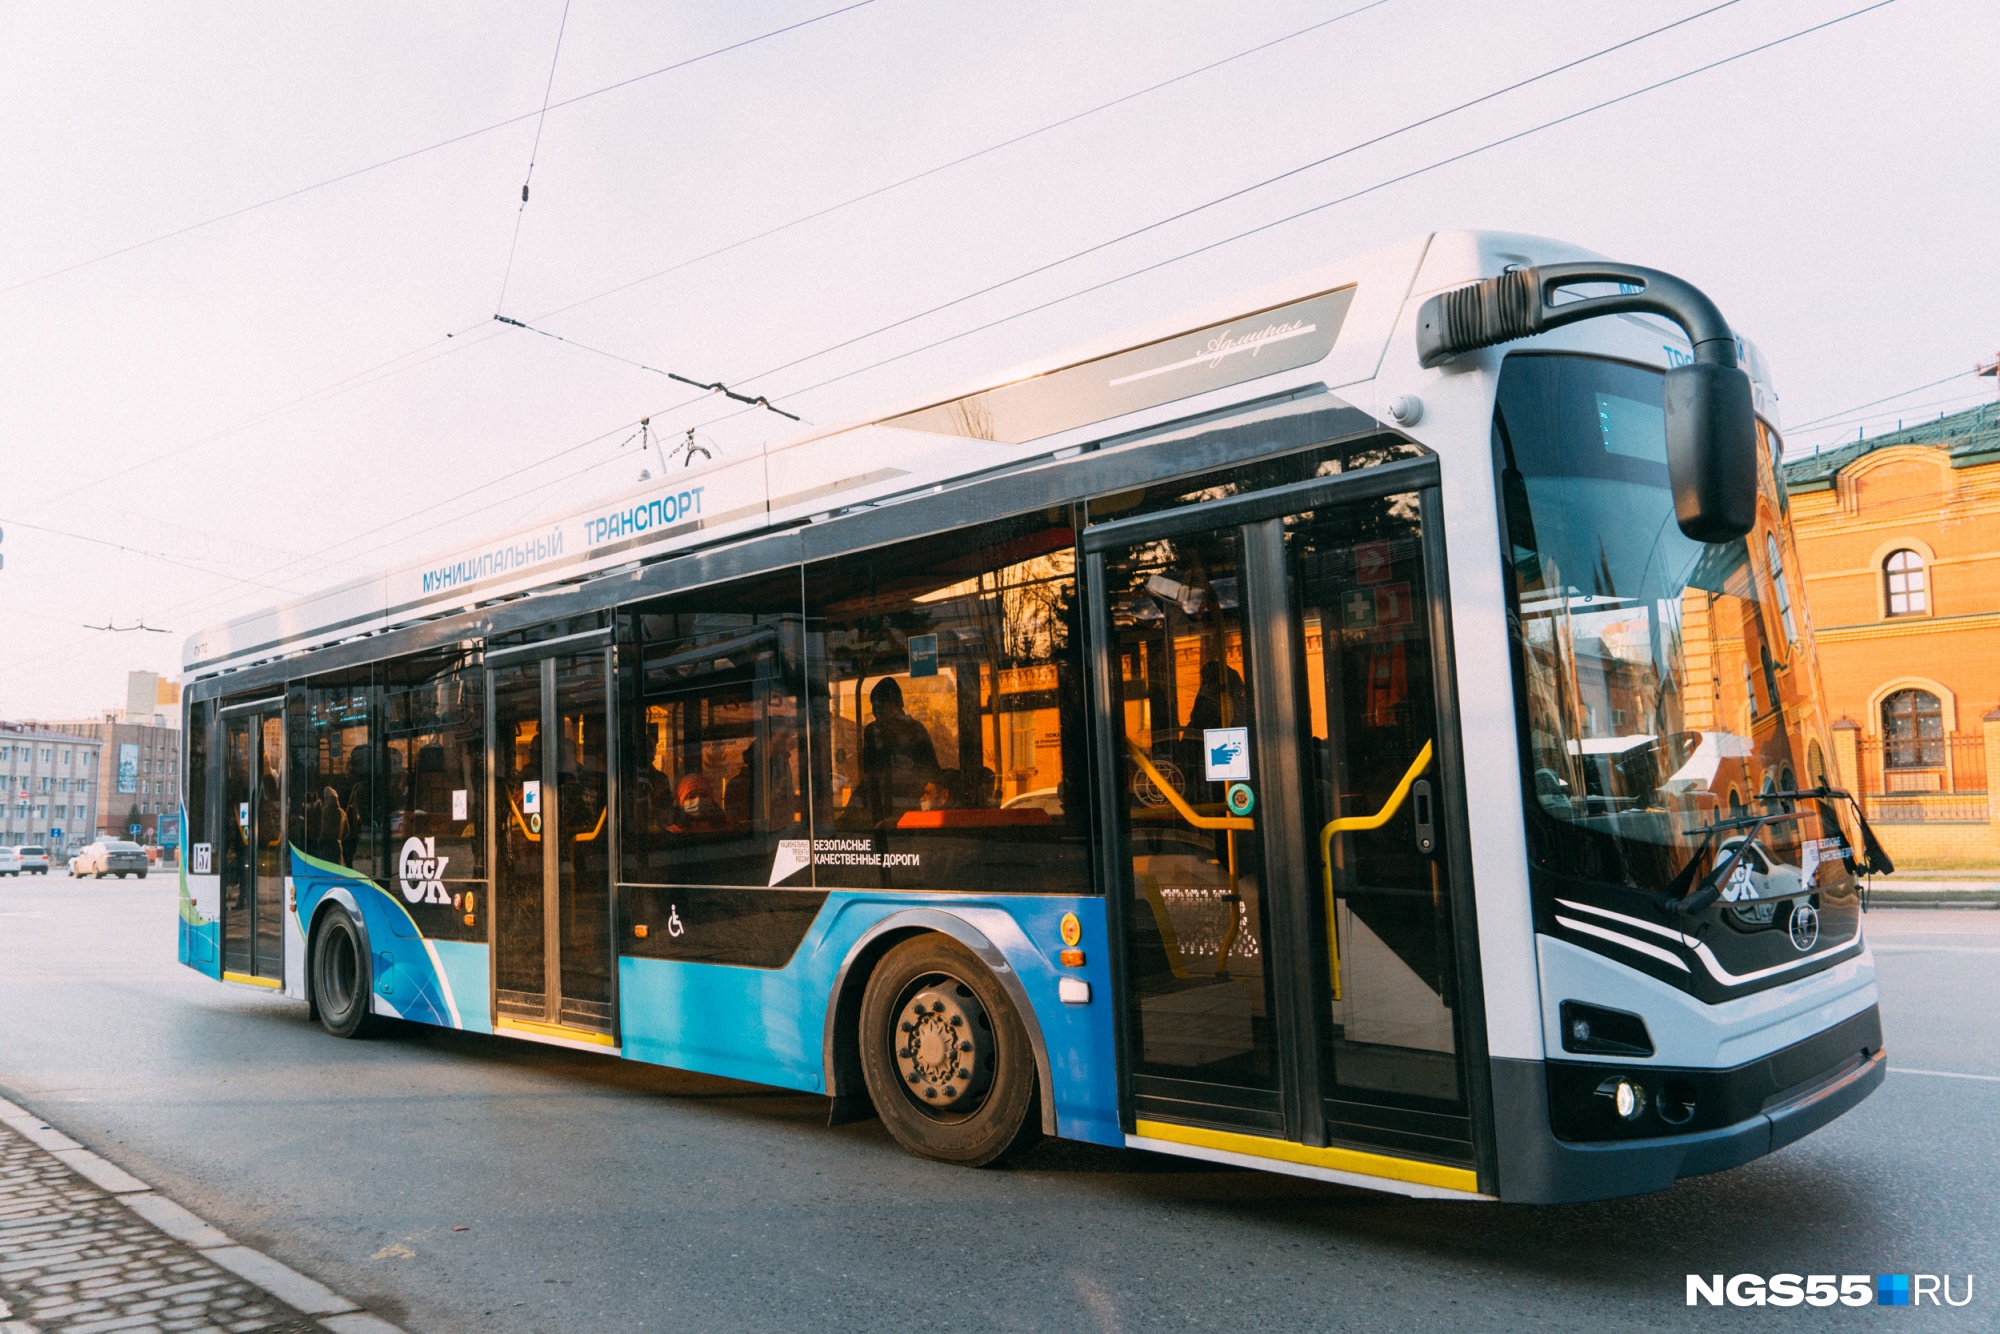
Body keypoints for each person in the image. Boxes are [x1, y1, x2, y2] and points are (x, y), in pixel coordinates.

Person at [860, 677, 940, 826]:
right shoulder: (872, 731)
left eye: (881, 705)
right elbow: (868, 774)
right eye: (874, 706)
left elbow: (931, 771)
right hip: (878, 808)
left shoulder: (915, 730)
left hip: (906, 809)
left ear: (894, 705)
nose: (876, 711)